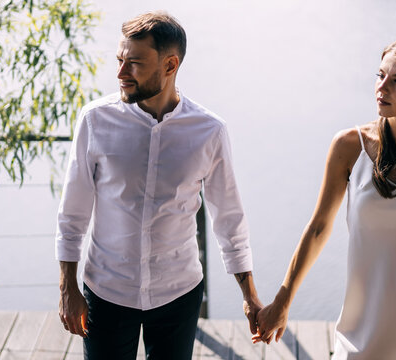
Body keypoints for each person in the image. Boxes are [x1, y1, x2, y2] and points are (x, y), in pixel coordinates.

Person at [253, 37, 396, 359]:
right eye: (380, 76)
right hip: (363, 324)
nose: (382, 87)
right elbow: (319, 228)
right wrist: (283, 300)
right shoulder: (350, 147)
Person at [55, 11, 262, 360]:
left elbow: (229, 218)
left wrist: (250, 295)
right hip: (106, 291)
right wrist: (67, 288)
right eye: (120, 60)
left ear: (170, 65)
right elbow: (72, 215)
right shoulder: (94, 121)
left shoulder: (209, 131)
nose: (120, 73)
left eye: (134, 63)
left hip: (177, 294)